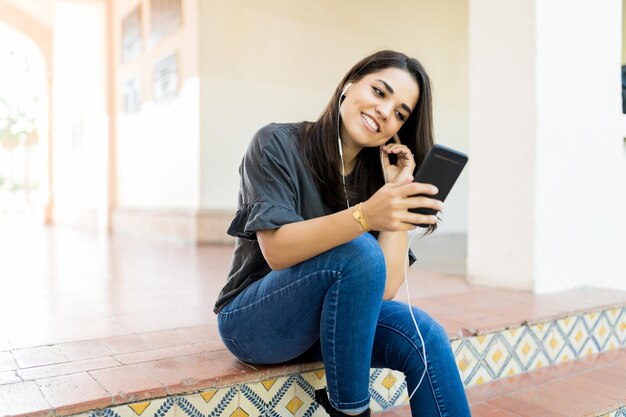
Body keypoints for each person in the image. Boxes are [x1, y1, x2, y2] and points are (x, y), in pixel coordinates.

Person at [213, 50, 471, 417]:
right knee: (360, 251)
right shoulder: (275, 143)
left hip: (332, 323)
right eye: (380, 93)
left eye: (400, 113)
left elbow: (384, 289)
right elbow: (277, 252)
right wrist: (366, 216)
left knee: (425, 335)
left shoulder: (375, 179)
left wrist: (396, 198)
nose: (385, 112)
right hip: (256, 322)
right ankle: (351, 411)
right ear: (349, 85)